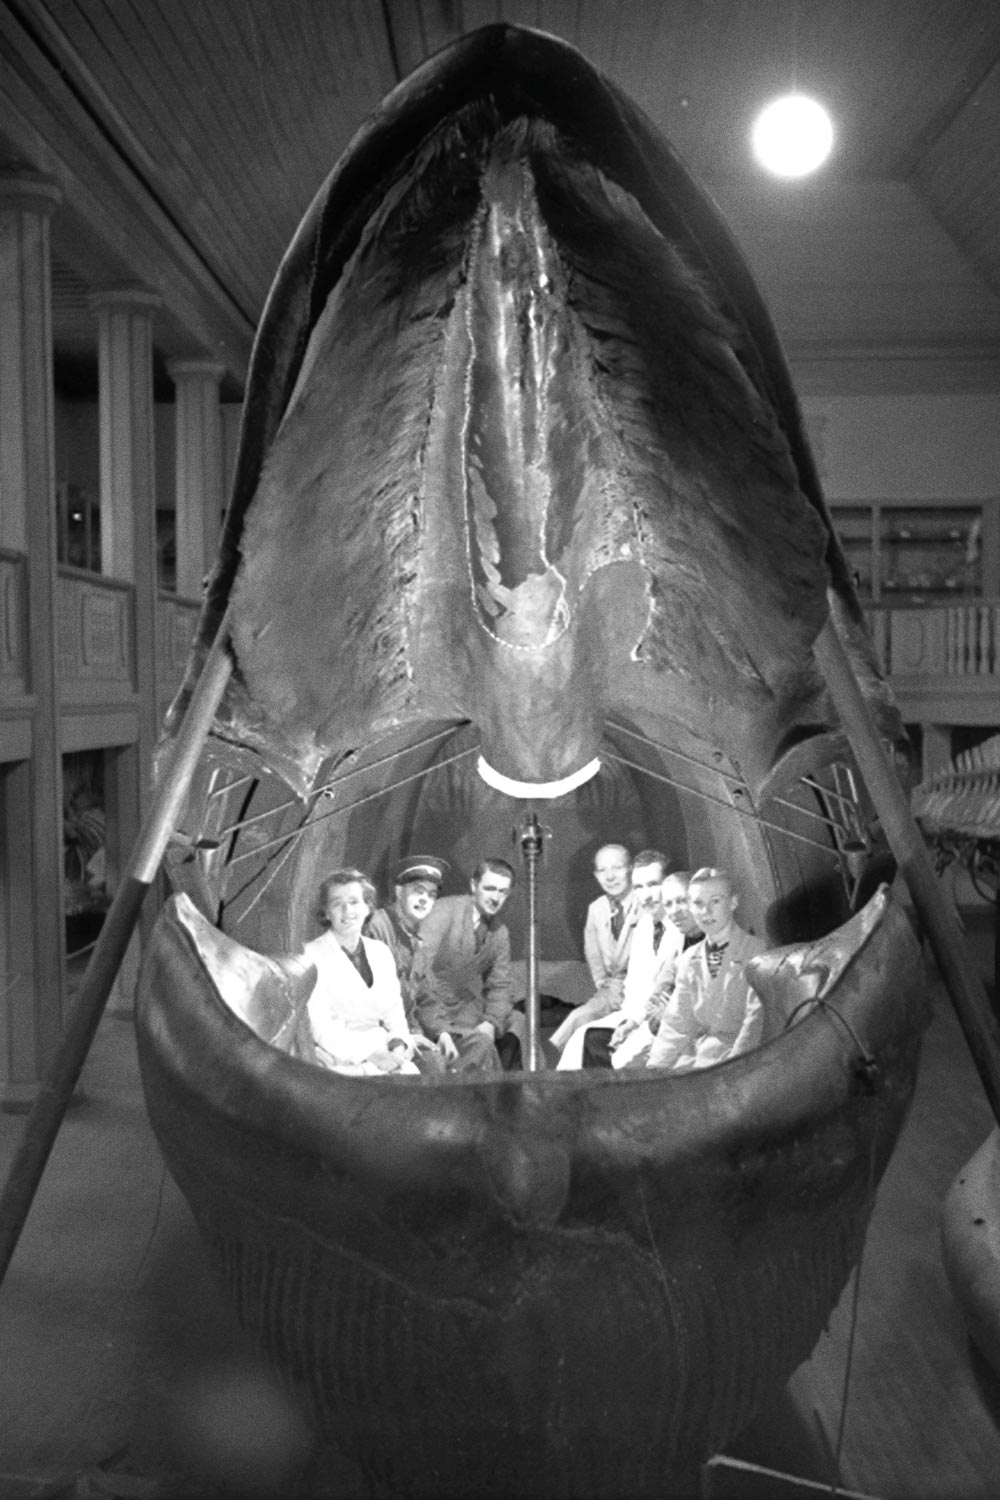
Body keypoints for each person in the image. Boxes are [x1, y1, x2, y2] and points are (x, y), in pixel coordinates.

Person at [556, 850, 680, 1071]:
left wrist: (635, 1023)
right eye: (639, 887)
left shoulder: (681, 928)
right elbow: (633, 986)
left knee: (601, 1046)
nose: (647, 895)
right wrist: (629, 1021)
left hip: (663, 1021)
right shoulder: (644, 927)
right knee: (583, 1036)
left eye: (653, 884)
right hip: (634, 1012)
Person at [301, 868, 422, 1075]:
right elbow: (321, 1027)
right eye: (337, 903)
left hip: (387, 1053)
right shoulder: (311, 955)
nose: (347, 911)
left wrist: (399, 1045)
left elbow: (394, 1013)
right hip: (339, 1059)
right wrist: (372, 1055)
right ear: (327, 912)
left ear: (367, 907)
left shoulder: (380, 952)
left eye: (354, 902)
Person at [646, 867, 766, 1072]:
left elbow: (754, 1024)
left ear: (733, 902)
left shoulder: (757, 953)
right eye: (698, 903)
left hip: (742, 1064)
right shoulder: (688, 959)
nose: (706, 911)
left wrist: (733, 1071)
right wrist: (653, 1070)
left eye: (716, 901)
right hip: (699, 1059)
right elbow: (677, 1023)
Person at [416, 858, 518, 1073]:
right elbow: (419, 971)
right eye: (489, 888)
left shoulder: (499, 933)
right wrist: (439, 1028)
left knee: (493, 1042)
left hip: (465, 1019)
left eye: (503, 892)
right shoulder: (444, 912)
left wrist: (491, 1022)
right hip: (428, 1015)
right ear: (473, 886)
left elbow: (501, 986)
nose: (495, 898)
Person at [548, 844, 638, 1055]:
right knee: (578, 1020)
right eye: (602, 870)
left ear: (630, 869)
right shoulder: (597, 909)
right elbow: (594, 955)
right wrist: (602, 985)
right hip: (610, 991)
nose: (610, 877)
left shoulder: (645, 900)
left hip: (640, 991)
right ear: (596, 875)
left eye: (617, 868)